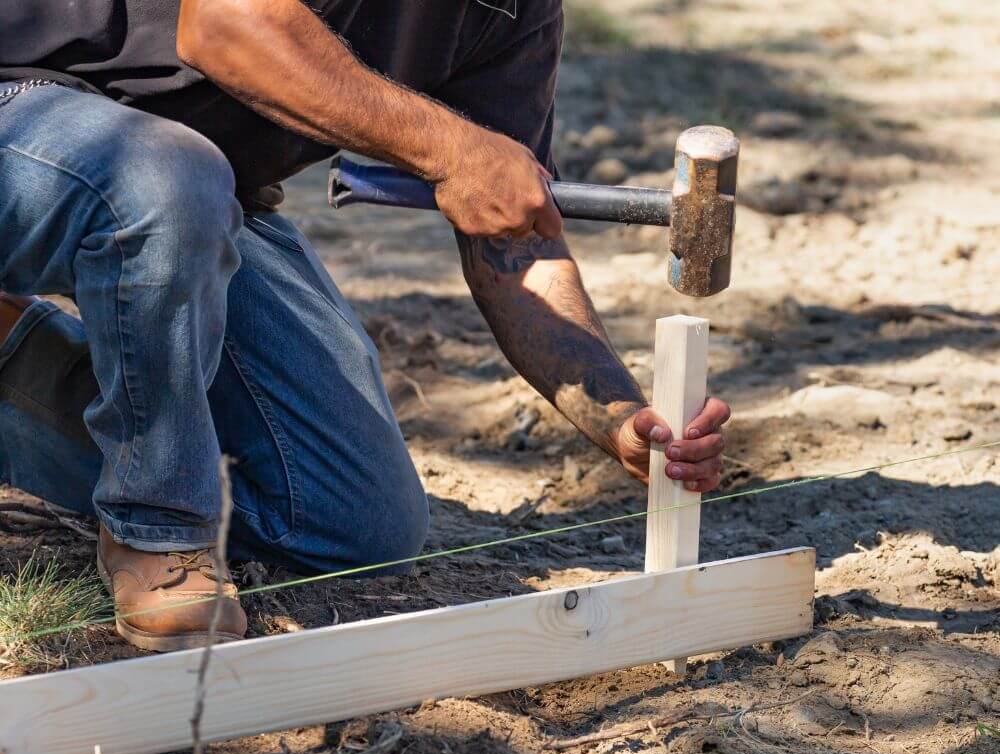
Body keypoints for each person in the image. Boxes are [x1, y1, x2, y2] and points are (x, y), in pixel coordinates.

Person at [0, 0, 730, 651]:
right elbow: (226, 24)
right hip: (36, 110)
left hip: (197, 197)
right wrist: (449, 148)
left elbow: (514, 236)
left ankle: (11, 364)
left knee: (351, 520)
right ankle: (156, 525)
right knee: (163, 178)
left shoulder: (515, 14)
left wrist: (620, 418)